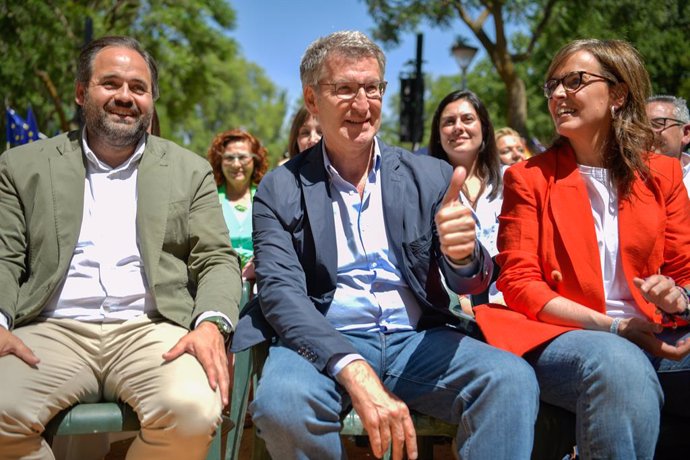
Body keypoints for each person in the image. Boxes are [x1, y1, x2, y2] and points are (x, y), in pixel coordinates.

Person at [231, 30, 538, 460]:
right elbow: (282, 297)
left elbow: (474, 284)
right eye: (344, 89)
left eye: (372, 88)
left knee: (510, 380)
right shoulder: (280, 188)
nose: (362, 105)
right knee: (282, 405)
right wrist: (352, 369)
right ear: (311, 99)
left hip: (417, 339)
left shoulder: (428, 175)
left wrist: (464, 257)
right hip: (322, 338)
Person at [0, 36, 241, 459]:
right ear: (81, 92)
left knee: (194, 410)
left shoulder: (189, 171)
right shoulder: (23, 167)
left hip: (152, 329)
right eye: (110, 84)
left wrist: (210, 325)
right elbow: (5, 254)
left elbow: (216, 258)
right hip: (49, 328)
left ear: (151, 99)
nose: (125, 97)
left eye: (138, 88)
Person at [474, 39, 690, 458]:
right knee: (618, 363)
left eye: (573, 81)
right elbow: (519, 284)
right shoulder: (528, 177)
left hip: (654, 333)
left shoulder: (662, 174)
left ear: (619, 93)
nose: (557, 94)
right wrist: (611, 327)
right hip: (563, 336)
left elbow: (684, 271)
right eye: (552, 85)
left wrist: (678, 298)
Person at [207, 128, 269, 282]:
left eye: (242, 157)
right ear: (219, 161)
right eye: (229, 158)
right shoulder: (208, 199)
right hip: (218, 282)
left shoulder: (267, 198)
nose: (236, 164)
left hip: (261, 284)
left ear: (255, 160)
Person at [646, 95, 690, 193]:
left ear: (686, 133)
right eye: (641, 125)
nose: (647, 131)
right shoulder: (625, 178)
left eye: (657, 124)